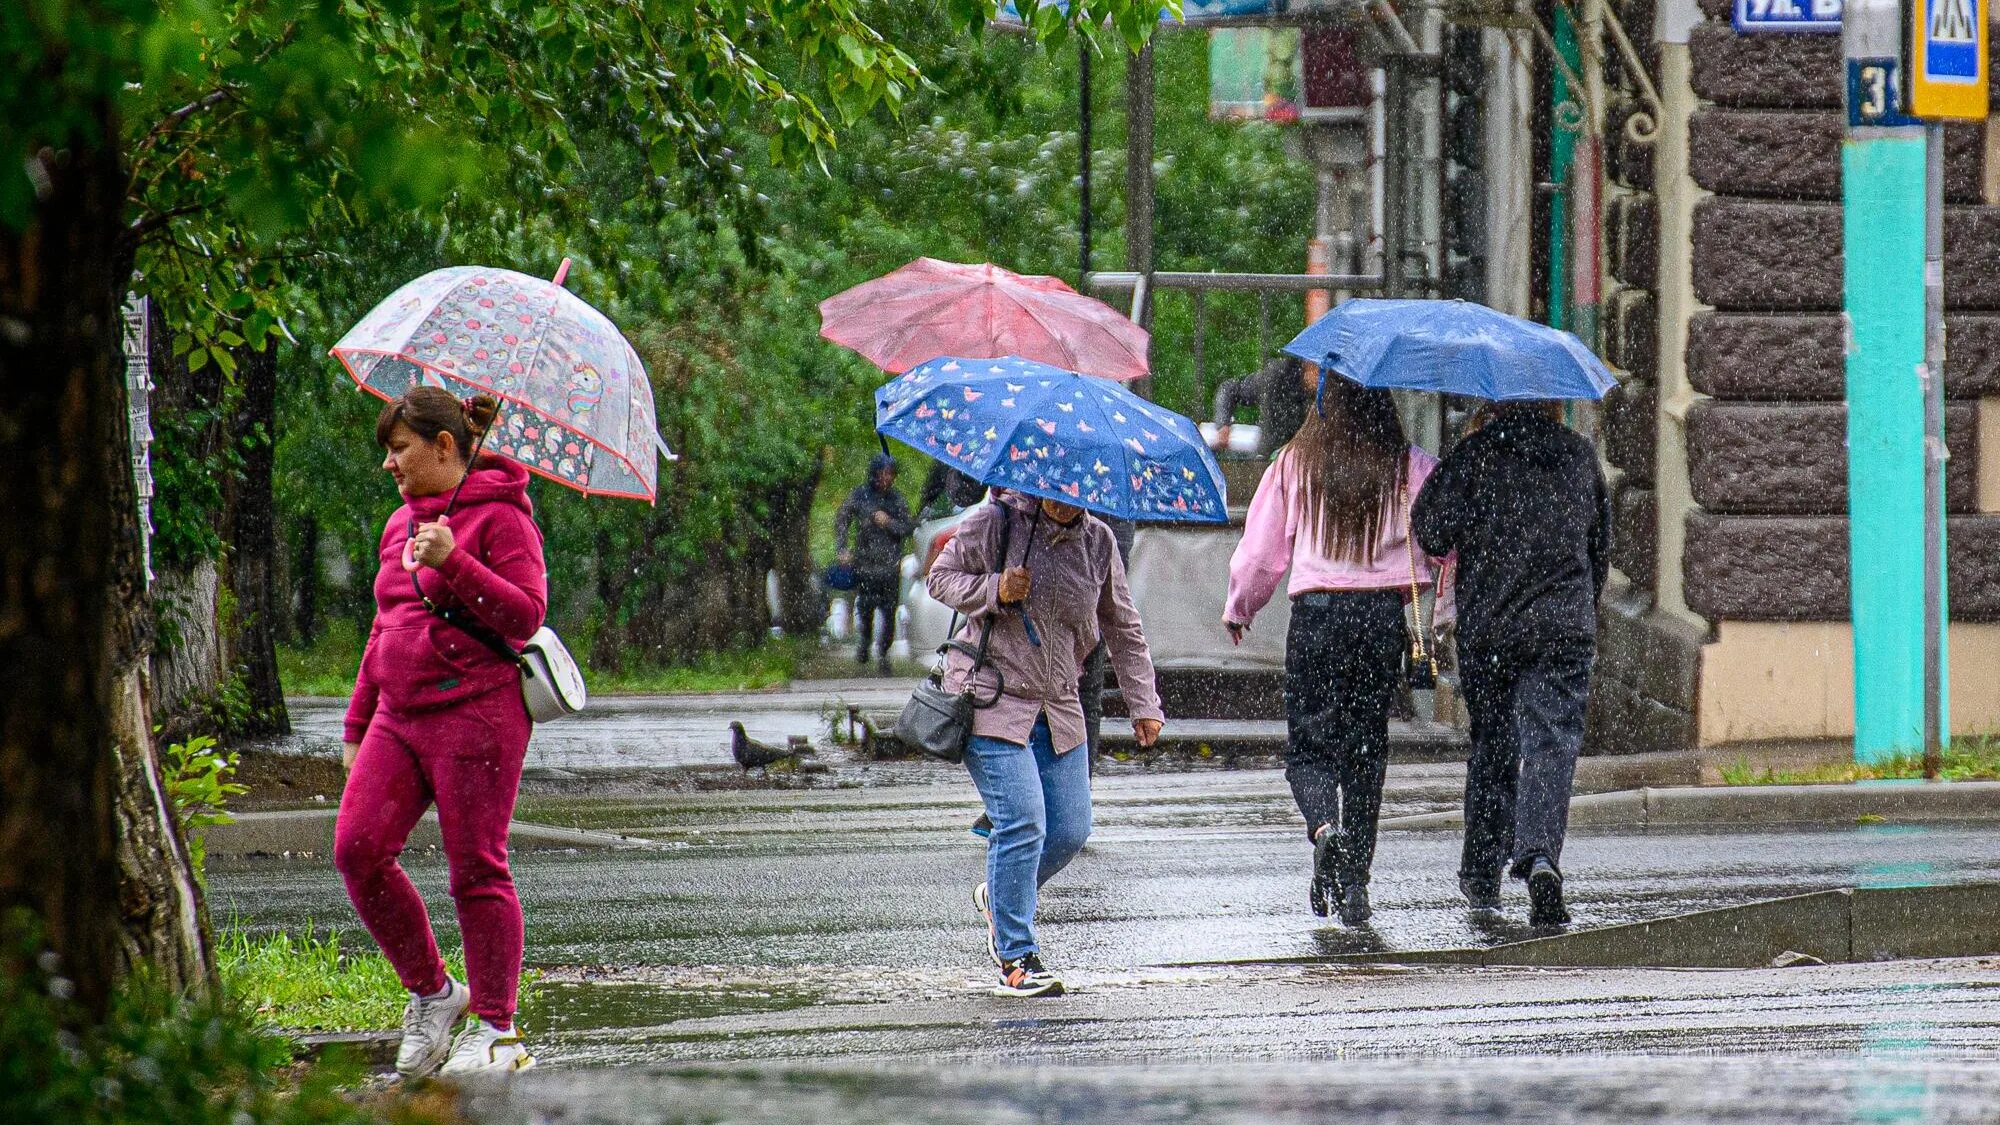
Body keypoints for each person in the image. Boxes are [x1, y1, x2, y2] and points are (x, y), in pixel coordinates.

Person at [335, 387, 546, 1077]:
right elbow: (385, 623)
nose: (390, 465)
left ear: (445, 446)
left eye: (400, 450)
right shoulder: (400, 525)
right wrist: (358, 721)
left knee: (475, 868)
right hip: (398, 714)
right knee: (358, 848)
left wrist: (455, 559)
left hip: (477, 714)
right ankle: (433, 992)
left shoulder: (504, 517)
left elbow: (524, 615)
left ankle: (496, 1024)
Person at [1221, 375, 1441, 926]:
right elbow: (1441, 542)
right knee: (1366, 749)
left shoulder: (1296, 462)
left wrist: (1240, 607)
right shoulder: (1408, 464)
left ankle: (1325, 830)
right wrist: (1442, 613)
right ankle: (1356, 884)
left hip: (1317, 616)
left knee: (1310, 747)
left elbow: (1260, 553)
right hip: (1380, 620)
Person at [929, 490, 1165, 997]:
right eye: (1059, 493)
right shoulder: (994, 524)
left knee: (1070, 830)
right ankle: (1016, 958)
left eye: (1079, 495)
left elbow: (1122, 625)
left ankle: (1001, 897)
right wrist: (995, 588)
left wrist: (1143, 702)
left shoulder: (1098, 542)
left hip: (1058, 706)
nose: (1068, 502)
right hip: (992, 698)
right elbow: (940, 578)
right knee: (1023, 822)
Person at [1412, 400, 1611, 929]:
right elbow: (1600, 550)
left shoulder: (1477, 454)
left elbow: (1430, 530)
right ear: (1553, 403)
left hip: (1492, 627)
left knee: (1493, 744)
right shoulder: (1578, 456)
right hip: (1563, 625)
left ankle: (1481, 872)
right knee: (1551, 745)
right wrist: (1577, 609)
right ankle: (1541, 855)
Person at [835, 453, 916, 674]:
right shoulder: (860, 496)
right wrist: (842, 548)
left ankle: (883, 652)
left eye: (890, 474)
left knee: (889, 610)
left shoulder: (896, 500)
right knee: (866, 606)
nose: (886, 479)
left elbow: (908, 527)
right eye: (883, 473)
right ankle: (865, 640)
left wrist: (888, 522)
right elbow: (842, 518)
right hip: (865, 563)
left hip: (889, 565)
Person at [1210, 355, 1311, 457]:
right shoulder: (1276, 378)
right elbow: (1228, 389)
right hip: (1270, 460)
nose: (1321, 376)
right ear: (1306, 364)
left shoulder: (1325, 393)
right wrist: (1223, 425)